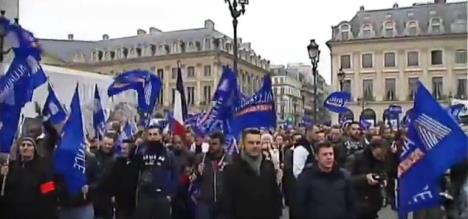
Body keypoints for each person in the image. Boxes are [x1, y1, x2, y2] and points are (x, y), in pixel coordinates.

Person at [222, 128, 282, 219]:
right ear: (243, 145)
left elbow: (275, 195)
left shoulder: (268, 166)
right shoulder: (231, 169)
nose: (255, 146)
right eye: (251, 143)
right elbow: (227, 203)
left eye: (258, 143)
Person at [0, 136, 58, 219]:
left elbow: (49, 193)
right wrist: (2, 177)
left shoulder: (43, 168)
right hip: (12, 213)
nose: (25, 147)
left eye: (29, 145)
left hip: (34, 213)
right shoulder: (11, 167)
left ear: (34, 149)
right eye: (23, 145)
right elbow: (5, 191)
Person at [296, 141, 356, 219]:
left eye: (331, 154)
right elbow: (300, 205)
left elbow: (351, 203)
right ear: (316, 157)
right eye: (325, 154)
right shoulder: (307, 176)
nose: (329, 157)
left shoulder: (344, 176)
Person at [133, 126, 177, 219]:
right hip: (145, 196)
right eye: (150, 134)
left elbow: (174, 175)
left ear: (160, 136)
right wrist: (135, 148)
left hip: (162, 196)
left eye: (155, 134)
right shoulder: (141, 152)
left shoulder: (169, 154)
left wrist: (171, 194)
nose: (152, 137)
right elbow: (133, 169)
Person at [192, 132, 233, 219]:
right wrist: (196, 173)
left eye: (214, 144)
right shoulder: (200, 158)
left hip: (223, 203)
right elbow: (192, 180)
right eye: (209, 143)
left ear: (222, 145)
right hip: (204, 202)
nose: (211, 146)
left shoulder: (230, 160)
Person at [350, 139, 388, 219]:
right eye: (378, 155)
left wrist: (384, 178)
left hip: (374, 203)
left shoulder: (381, 159)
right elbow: (347, 179)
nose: (380, 158)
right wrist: (365, 178)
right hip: (359, 202)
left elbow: (383, 171)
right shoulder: (356, 158)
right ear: (372, 149)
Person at [102, 139, 139, 219]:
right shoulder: (118, 162)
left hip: (135, 204)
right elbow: (112, 180)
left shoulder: (138, 163)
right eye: (121, 149)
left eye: (125, 149)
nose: (123, 151)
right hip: (120, 204)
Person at [172, 134, 195, 219]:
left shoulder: (190, 155)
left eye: (179, 142)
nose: (177, 145)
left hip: (187, 190)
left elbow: (197, 165)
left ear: (183, 143)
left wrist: (191, 170)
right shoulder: (169, 155)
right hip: (174, 191)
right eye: (175, 143)